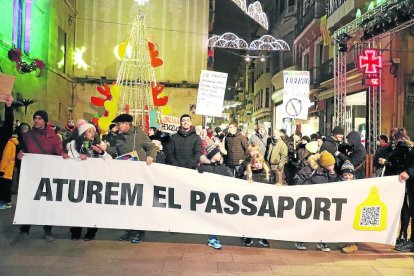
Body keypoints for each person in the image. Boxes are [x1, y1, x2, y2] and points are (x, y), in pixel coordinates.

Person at [11, 110, 69, 244]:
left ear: (45, 121)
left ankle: (47, 230)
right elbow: (23, 151)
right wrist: (20, 156)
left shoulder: (54, 137)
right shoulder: (27, 136)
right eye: (35, 118)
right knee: (28, 201)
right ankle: (24, 229)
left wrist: (63, 154)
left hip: (46, 175)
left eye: (39, 118)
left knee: (47, 203)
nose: (36, 121)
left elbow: (58, 151)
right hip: (31, 175)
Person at [106, 114, 157, 243]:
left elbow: (152, 147)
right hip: (125, 174)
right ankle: (128, 230)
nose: (116, 127)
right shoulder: (118, 136)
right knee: (126, 203)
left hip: (139, 175)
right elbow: (115, 152)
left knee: (138, 203)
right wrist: (105, 148)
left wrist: (151, 156)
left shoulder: (139, 134)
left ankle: (139, 232)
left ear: (126, 124)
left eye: (118, 124)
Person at [66, 123, 111, 241]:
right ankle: (76, 231)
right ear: (83, 133)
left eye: (93, 131)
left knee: (93, 207)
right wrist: (79, 158)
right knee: (78, 206)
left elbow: (110, 160)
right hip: (79, 180)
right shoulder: (73, 144)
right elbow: (70, 158)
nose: (93, 133)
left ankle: (91, 231)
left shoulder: (98, 144)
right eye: (90, 131)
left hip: (94, 181)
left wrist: (101, 152)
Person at [292, 150, 338, 252]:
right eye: (330, 165)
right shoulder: (310, 169)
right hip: (310, 199)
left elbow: (332, 183)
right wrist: (304, 189)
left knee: (321, 221)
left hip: (322, 200)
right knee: (306, 220)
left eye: (333, 164)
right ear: (324, 164)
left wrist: (332, 174)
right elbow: (297, 178)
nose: (333, 166)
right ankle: (300, 239)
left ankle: (321, 241)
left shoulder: (328, 171)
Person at [198, 144, 233, 250]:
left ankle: (213, 237)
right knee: (211, 218)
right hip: (208, 197)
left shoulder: (223, 167)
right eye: (217, 153)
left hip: (220, 197)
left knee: (217, 218)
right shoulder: (203, 168)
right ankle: (212, 238)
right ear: (212, 155)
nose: (220, 154)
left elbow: (232, 180)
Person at [242, 153, 273, 247]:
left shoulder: (267, 174)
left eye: (260, 162)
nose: (259, 164)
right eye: (256, 162)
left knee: (263, 220)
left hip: (264, 202)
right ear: (252, 163)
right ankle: (249, 236)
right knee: (251, 220)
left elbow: (273, 185)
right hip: (251, 203)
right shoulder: (248, 174)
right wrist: (246, 181)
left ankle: (262, 236)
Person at [338, 161, 359, 253]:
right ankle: (348, 243)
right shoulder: (339, 183)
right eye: (345, 175)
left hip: (353, 209)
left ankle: (353, 245)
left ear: (353, 174)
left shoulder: (356, 183)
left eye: (349, 175)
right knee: (345, 226)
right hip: (344, 209)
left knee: (352, 226)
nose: (347, 177)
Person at [0, 133, 18, 209]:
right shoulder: (14, 144)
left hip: (5, 169)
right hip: (10, 169)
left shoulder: (9, 143)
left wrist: (1, 169)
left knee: (4, 187)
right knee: (7, 186)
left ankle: (5, 203)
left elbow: (5, 158)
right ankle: (8, 202)